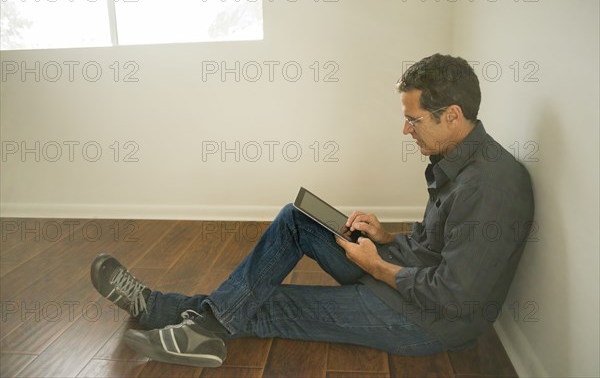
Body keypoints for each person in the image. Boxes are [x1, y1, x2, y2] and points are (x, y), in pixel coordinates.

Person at [90, 53, 534, 368]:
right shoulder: (460, 159)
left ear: (452, 115)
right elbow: (439, 244)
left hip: (424, 320)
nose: (405, 129)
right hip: (405, 276)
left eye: (414, 120)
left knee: (272, 301)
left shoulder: (492, 187)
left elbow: (454, 297)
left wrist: (377, 267)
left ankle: (161, 311)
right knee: (296, 218)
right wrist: (387, 239)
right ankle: (198, 322)